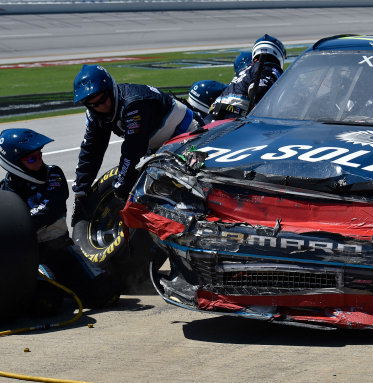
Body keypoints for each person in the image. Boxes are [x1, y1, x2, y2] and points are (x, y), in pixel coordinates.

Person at [0, 128, 120, 312]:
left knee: (108, 293)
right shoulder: (5, 192)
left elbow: (51, 208)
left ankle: (75, 284)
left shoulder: (53, 174)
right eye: (32, 158)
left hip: (62, 248)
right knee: (46, 303)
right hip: (33, 256)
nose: (39, 160)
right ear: (13, 163)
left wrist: (22, 222)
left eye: (39, 155)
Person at [71, 64, 201, 222]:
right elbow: (91, 150)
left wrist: (120, 184)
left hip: (187, 134)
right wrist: (80, 192)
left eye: (103, 99)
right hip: (155, 144)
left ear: (111, 89)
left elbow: (132, 150)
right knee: (145, 184)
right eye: (93, 104)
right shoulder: (95, 114)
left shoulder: (134, 103)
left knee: (188, 187)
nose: (101, 107)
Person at [207, 34, 286, 120]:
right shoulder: (268, 67)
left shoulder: (245, 70)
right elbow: (258, 91)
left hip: (213, 116)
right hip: (232, 118)